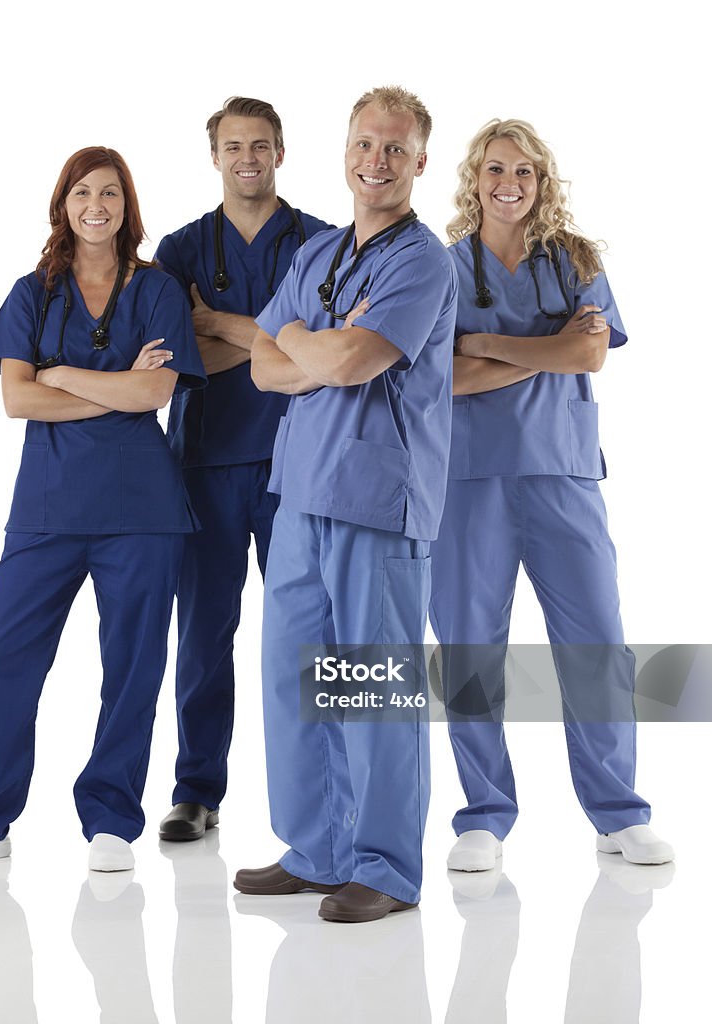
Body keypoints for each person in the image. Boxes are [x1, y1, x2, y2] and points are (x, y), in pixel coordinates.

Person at [0, 147, 206, 872]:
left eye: (110, 192)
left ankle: (111, 818)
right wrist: (113, 385)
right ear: (64, 203)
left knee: (133, 667)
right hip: (47, 508)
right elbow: (18, 398)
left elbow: (155, 395)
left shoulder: (159, 288)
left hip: (143, 510)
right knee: (0, 655)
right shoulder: (33, 292)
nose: (97, 205)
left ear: (126, 206)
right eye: (83, 192)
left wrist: (65, 375)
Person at [234, 86, 457, 922]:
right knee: (296, 681)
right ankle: (316, 848)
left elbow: (356, 363)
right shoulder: (319, 252)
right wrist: (307, 343)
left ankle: (387, 868)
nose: (377, 161)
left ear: (419, 162)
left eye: (395, 149)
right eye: (366, 144)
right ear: (346, 151)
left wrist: (311, 345)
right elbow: (262, 362)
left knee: (369, 689)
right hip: (300, 495)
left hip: (377, 501)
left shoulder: (423, 261)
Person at [428, 119, 674, 871]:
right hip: (468, 480)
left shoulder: (575, 258)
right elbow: (440, 377)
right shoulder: (440, 269)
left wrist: (491, 342)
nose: (509, 183)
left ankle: (617, 812)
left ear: (543, 182)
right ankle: (484, 815)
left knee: (597, 641)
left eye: (525, 172)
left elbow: (591, 351)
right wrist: (547, 348)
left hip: (563, 472)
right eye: (495, 168)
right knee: (470, 648)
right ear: (475, 178)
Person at [155, 97, 332, 842]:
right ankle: (197, 790)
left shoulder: (325, 241)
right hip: (205, 464)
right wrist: (277, 338)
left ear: (281, 152)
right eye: (234, 146)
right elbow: (171, 360)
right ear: (216, 156)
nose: (247, 157)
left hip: (302, 463)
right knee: (202, 636)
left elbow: (332, 351)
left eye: (260, 144)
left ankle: (330, 793)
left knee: (313, 638)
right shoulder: (180, 248)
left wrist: (220, 326)